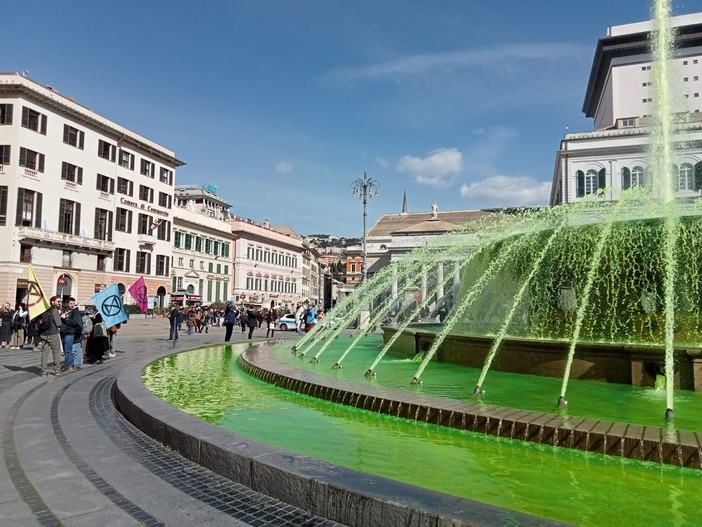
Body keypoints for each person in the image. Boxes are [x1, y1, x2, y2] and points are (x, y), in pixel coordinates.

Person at [36, 296, 62, 377]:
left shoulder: (44, 310)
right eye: (58, 301)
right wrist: (61, 317)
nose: (59, 303)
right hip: (53, 334)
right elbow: (58, 324)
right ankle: (57, 370)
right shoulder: (54, 311)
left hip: (44, 334)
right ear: (52, 302)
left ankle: (44, 371)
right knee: (56, 352)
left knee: (44, 352)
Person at [59, 297, 83, 372]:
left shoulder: (75, 312)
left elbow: (74, 323)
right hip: (64, 332)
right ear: (67, 303)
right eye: (71, 303)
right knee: (66, 349)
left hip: (70, 333)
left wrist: (66, 319)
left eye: (73, 303)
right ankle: (69, 363)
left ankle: (68, 365)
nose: (72, 305)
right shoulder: (65, 311)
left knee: (68, 350)